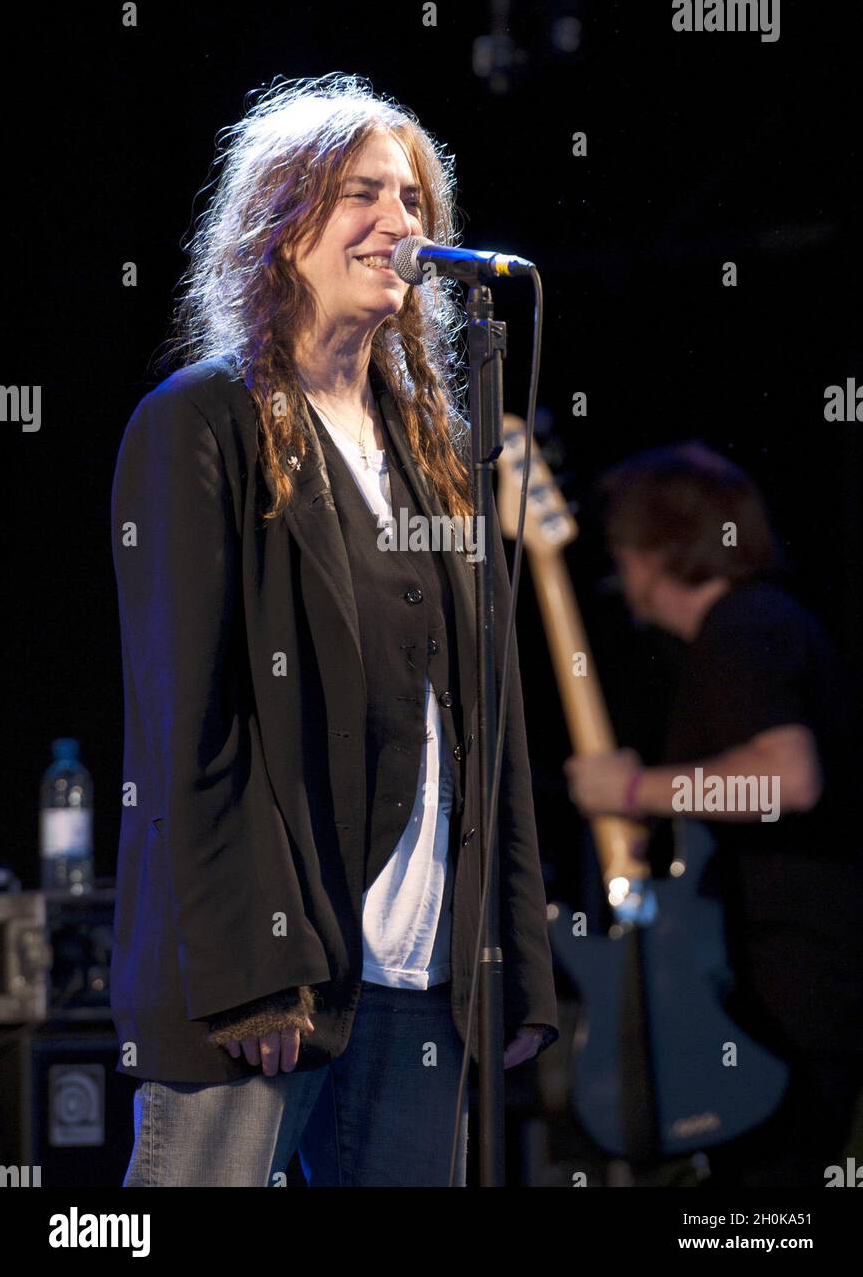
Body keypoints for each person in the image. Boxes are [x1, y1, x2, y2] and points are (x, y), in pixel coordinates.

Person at [110, 74, 558, 1188]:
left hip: (417, 973)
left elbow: (485, 721)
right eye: (363, 194)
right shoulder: (200, 424)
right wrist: (253, 966)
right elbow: (192, 717)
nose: (400, 225)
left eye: (412, 201)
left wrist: (509, 955)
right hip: (269, 971)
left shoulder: (428, 450)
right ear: (282, 221)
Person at [564, 442, 863, 1187]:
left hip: (797, 999)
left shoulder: (743, 628)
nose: (619, 563)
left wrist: (630, 793)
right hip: (791, 992)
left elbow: (783, 783)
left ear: (655, 547)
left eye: (625, 542)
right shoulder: (759, 627)